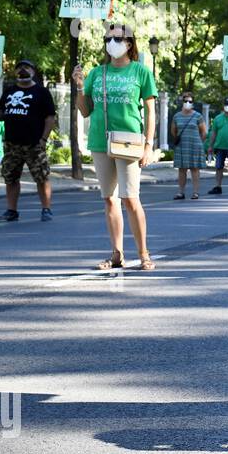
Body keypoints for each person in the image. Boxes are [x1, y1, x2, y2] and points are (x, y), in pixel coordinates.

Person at [71, 23, 157, 271]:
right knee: (109, 199)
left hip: (130, 142)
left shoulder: (141, 72)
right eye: (108, 38)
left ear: (129, 43)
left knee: (130, 198)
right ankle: (116, 254)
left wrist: (149, 145)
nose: (112, 43)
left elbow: (151, 112)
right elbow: (86, 110)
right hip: (100, 141)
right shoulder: (98, 73)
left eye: (117, 39)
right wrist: (79, 85)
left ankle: (144, 254)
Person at [0, 59, 57, 222]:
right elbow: (1, 116)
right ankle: (11, 211)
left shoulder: (41, 92)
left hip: (34, 143)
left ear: (33, 72)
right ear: (15, 73)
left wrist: (43, 139)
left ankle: (46, 209)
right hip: (12, 144)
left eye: (26, 67)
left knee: (42, 176)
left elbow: (50, 117)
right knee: (10, 177)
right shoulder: (8, 91)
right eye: (19, 68)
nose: (22, 70)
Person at [170, 93, 207, 200]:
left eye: (190, 101)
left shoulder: (197, 116)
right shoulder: (177, 116)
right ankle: (181, 192)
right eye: (186, 101)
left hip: (195, 146)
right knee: (182, 169)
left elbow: (204, 132)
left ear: (193, 103)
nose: (187, 103)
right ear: (182, 102)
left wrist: (199, 143)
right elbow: (173, 131)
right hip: (182, 146)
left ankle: (195, 192)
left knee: (194, 169)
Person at [206, 97, 228, 196]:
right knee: (218, 167)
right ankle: (218, 186)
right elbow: (213, 133)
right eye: (226, 104)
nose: (227, 107)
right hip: (219, 147)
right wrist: (210, 146)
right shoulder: (218, 118)